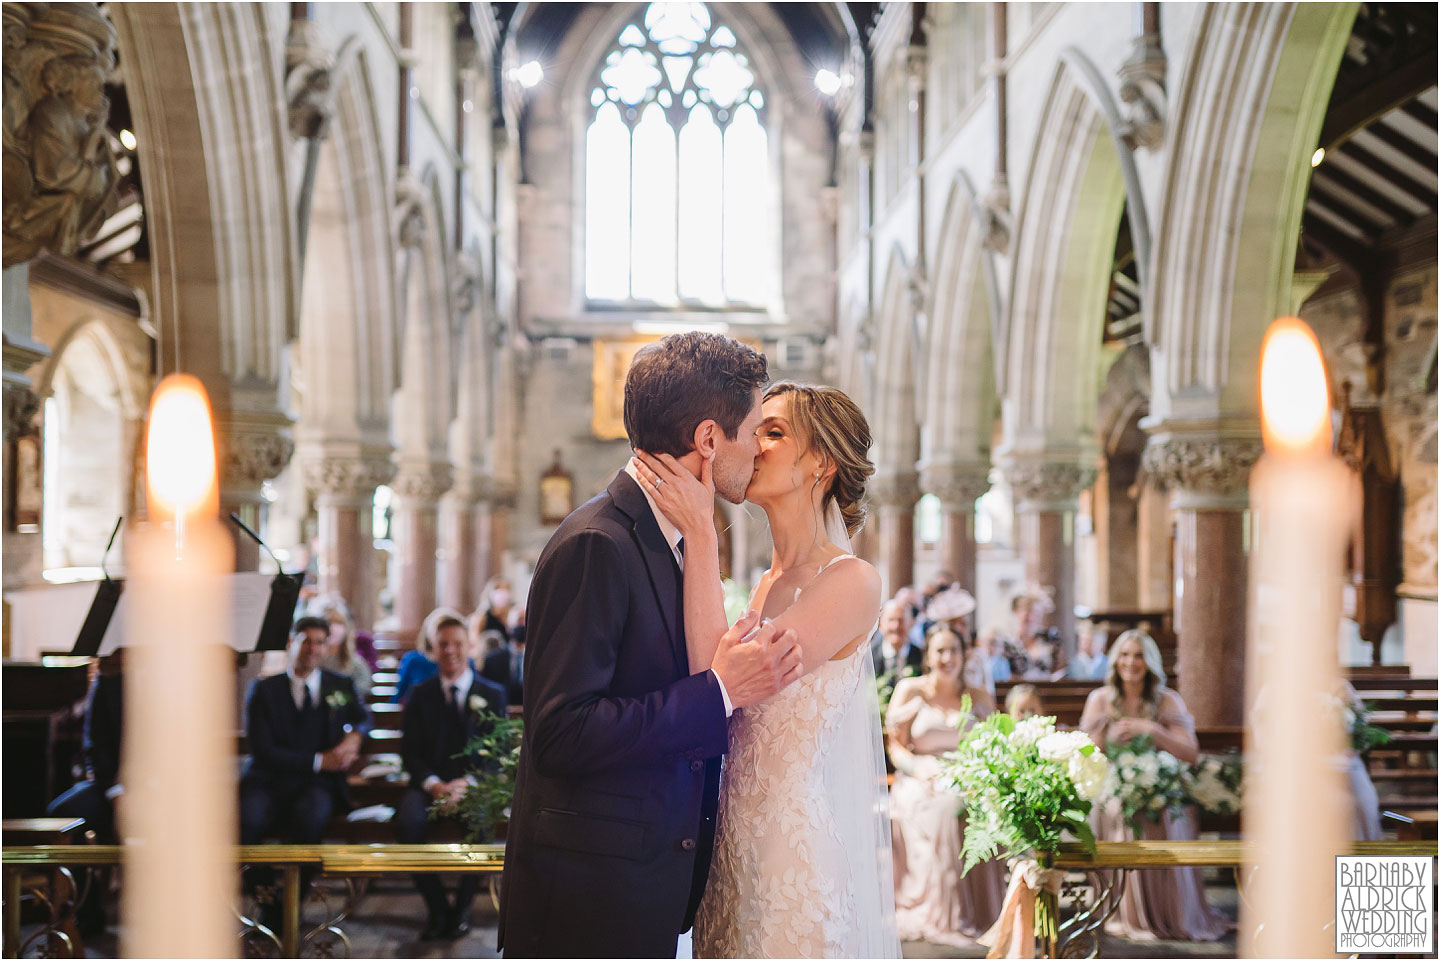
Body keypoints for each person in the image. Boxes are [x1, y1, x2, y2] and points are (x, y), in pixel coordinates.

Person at [499, 333, 804, 957]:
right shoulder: (598, 544)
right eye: (751, 429)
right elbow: (559, 734)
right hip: (589, 900)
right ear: (710, 440)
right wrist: (718, 691)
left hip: (635, 885)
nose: (755, 448)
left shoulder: (665, 538)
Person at [636, 379, 899, 957]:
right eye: (755, 430)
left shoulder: (853, 582)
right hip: (727, 848)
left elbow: (721, 678)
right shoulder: (765, 586)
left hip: (790, 855)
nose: (752, 445)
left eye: (774, 433)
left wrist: (703, 532)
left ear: (822, 463)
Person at [1079, 630, 1227, 941]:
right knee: (1119, 808)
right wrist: (1107, 739)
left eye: (1138, 655)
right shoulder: (1100, 699)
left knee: (1170, 809)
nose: (1130, 662)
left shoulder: (1167, 700)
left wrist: (1153, 731)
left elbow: (1190, 752)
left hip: (1161, 781)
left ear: (1150, 662)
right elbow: (1084, 753)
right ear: (1115, 660)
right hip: (1114, 783)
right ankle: (1126, 912)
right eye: (1124, 655)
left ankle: (1170, 910)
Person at [240, 616, 372, 929]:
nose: (312, 648)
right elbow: (263, 751)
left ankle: (291, 903)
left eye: (319, 642)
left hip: (318, 785)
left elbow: (364, 718)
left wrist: (355, 735)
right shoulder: (263, 690)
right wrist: (316, 760)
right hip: (268, 780)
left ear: (327, 647)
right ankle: (269, 903)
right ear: (292, 643)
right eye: (306, 640)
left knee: (310, 823)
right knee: (246, 825)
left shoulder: (339, 685)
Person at [886, 629, 1005, 946]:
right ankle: (948, 914)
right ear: (928, 656)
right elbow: (894, 747)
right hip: (920, 775)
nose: (947, 658)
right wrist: (918, 767)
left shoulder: (979, 696)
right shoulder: (910, 690)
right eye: (940, 651)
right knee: (943, 810)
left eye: (953, 650)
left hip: (968, 775)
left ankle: (982, 914)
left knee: (986, 811)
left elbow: (994, 744)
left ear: (964, 655)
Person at [398, 611, 508, 940]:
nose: (450, 651)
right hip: (429, 785)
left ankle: (461, 909)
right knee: (407, 823)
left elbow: (498, 750)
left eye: (457, 643)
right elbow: (410, 753)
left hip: (472, 786)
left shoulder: (492, 694)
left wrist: (467, 784)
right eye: (443, 644)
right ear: (433, 649)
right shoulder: (421, 694)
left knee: (481, 824)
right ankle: (437, 908)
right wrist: (434, 785)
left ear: (469, 646)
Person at [46, 650, 125, 934]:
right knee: (62, 815)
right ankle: (83, 909)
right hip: (112, 785)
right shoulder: (108, 683)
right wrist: (116, 791)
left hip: (164, 790)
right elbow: (95, 744)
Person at [311, 595, 372, 700]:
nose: (333, 627)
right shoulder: (311, 661)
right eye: (330, 622)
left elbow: (360, 690)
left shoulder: (357, 665)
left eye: (338, 622)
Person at [394, 608, 453, 702]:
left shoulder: (463, 662)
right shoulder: (413, 660)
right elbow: (399, 695)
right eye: (438, 630)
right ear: (428, 633)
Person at [871, 598, 923, 688]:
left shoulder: (922, 656)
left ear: (912, 623)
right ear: (880, 624)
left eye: (901, 620)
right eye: (891, 620)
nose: (896, 626)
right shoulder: (870, 655)